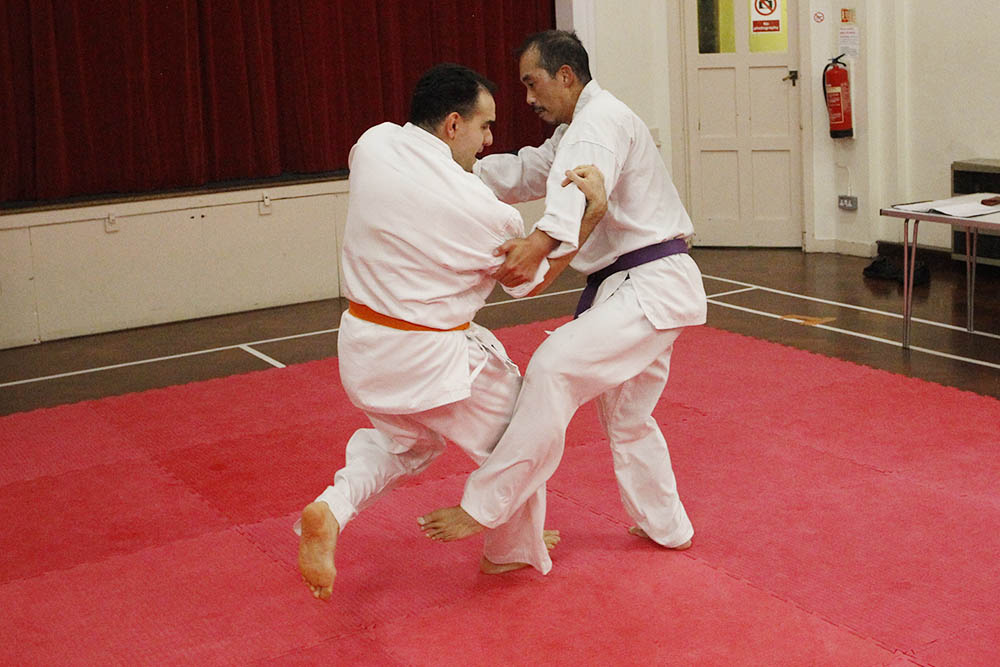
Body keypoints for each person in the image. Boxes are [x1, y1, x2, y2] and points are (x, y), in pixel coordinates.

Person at [297, 62, 608, 600]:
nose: (488, 142)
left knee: (403, 444)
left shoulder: (372, 145)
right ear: (453, 124)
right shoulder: (485, 212)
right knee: (524, 433)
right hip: (431, 359)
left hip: (363, 347)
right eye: (485, 127)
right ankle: (509, 549)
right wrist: (589, 218)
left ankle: (333, 507)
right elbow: (528, 280)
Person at [419, 31, 707, 554]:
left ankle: (484, 506)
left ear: (566, 76)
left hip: (649, 285)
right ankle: (669, 528)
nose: (528, 98)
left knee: (552, 369)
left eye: (533, 83)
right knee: (627, 417)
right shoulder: (579, 128)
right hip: (641, 285)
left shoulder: (597, 124)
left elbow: (579, 192)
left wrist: (540, 242)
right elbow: (528, 170)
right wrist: (456, 165)